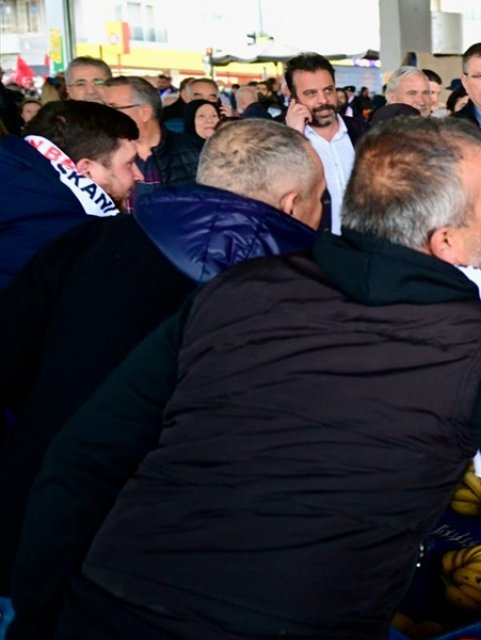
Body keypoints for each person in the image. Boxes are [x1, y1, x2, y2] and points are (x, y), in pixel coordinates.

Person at [11, 116, 481, 639]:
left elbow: (83, 458)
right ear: (446, 243)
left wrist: (41, 607)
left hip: (106, 608)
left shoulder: (237, 290)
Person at [0, 121, 324, 628]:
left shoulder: (85, 242)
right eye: (319, 199)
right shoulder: (294, 300)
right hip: (172, 570)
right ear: (289, 204)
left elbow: (9, 363)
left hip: (38, 526)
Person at [0, 101, 142, 288]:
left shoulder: (15, 172)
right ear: (86, 170)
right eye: (129, 163)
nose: (139, 175)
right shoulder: (69, 236)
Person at [281, 52, 370, 235]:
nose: (323, 100)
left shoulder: (364, 132)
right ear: (293, 98)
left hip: (364, 250)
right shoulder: (279, 136)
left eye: (328, 90)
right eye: (311, 93)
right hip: (312, 253)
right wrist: (295, 136)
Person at [102, 76, 204, 212]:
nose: (104, 115)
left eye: (113, 108)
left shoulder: (198, 152)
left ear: (144, 113)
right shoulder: (98, 155)